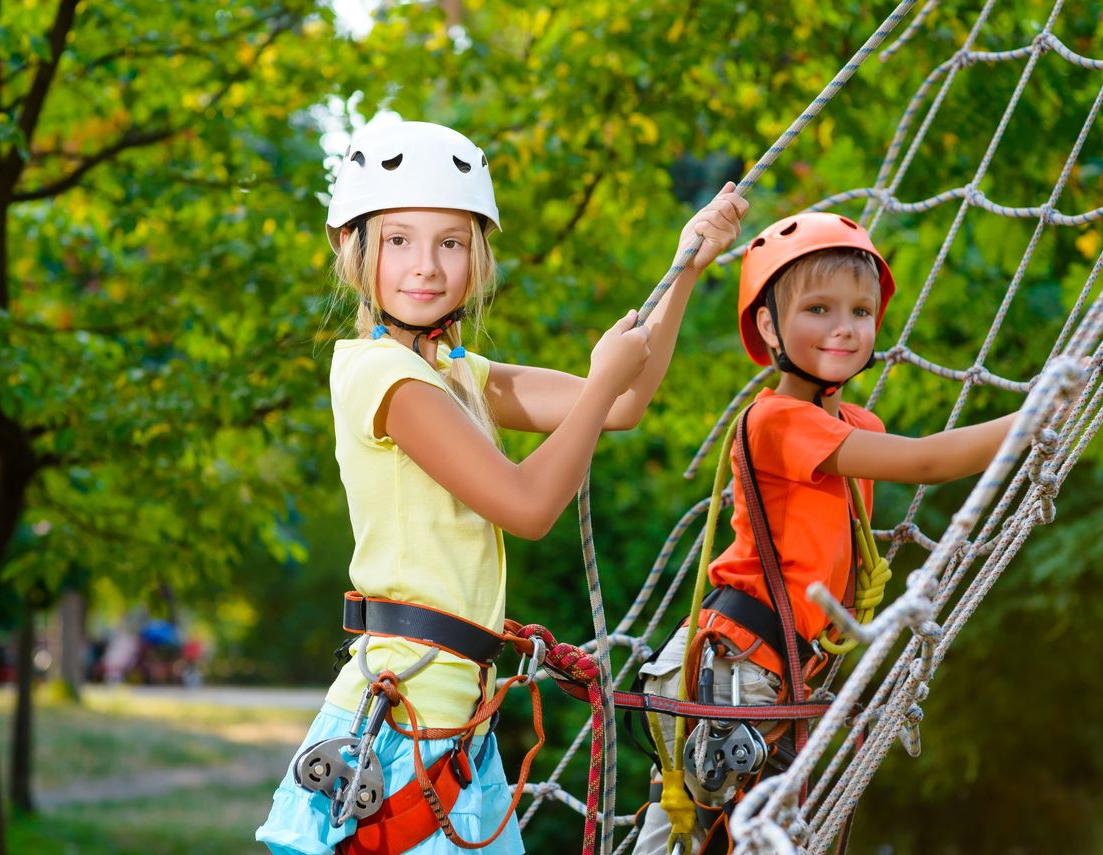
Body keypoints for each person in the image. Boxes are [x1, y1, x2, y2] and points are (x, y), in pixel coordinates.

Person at [256, 120, 749, 855]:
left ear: (477, 256)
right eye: (399, 240)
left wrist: (685, 270)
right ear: (357, 252)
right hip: (404, 729)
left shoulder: (458, 374)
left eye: (450, 242)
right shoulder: (382, 377)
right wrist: (603, 379)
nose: (425, 265)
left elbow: (620, 403)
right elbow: (527, 505)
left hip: (455, 722)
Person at [633, 211, 1019, 855]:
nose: (844, 327)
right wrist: (1037, 411)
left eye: (861, 311)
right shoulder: (778, 421)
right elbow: (928, 460)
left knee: (713, 837)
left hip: (779, 668)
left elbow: (915, 456)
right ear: (766, 325)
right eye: (818, 308)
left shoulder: (853, 424)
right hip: (736, 663)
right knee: (708, 838)